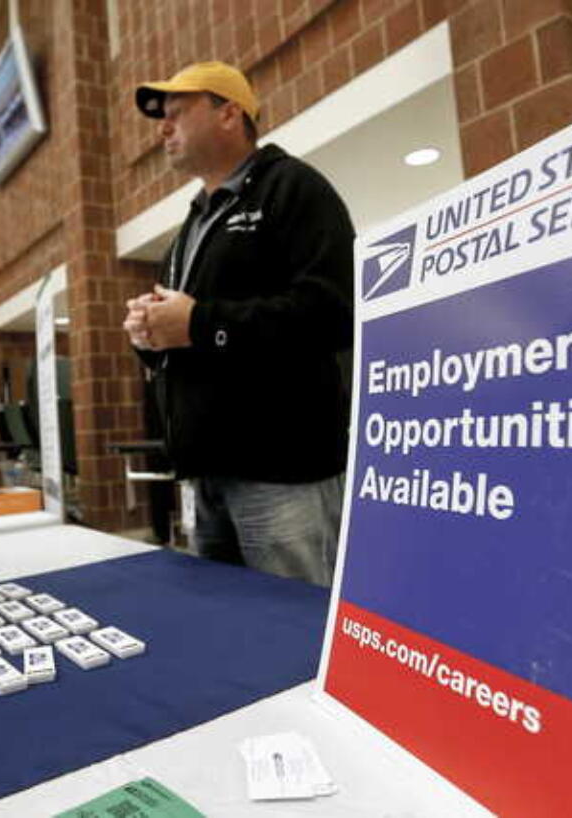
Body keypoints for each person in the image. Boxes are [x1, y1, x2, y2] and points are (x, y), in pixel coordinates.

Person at [123, 61, 354, 586]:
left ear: (229, 114)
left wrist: (199, 323)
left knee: (298, 636)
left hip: (283, 474)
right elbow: (185, 335)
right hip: (208, 477)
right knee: (232, 637)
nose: (162, 128)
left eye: (176, 112)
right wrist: (150, 335)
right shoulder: (192, 226)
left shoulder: (294, 189)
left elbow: (332, 314)